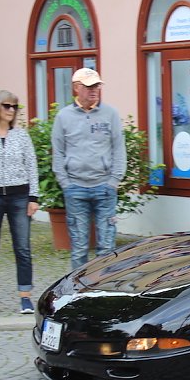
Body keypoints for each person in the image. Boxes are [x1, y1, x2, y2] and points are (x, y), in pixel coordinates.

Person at [52, 68, 126, 270]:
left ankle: (104, 293)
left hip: (104, 187)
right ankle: (77, 295)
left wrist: (114, 181)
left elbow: (119, 149)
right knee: (79, 248)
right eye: (89, 86)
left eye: (97, 86)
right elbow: (57, 152)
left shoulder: (110, 114)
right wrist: (65, 184)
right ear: (76, 88)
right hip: (75, 188)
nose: (94, 90)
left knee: (106, 248)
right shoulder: (63, 116)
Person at [0, 91, 40, 316]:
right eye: (6, 105)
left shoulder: (21, 136)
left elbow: (32, 166)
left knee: (23, 249)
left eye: (14, 107)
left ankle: (25, 296)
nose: (11, 110)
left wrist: (33, 198)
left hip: (19, 197)